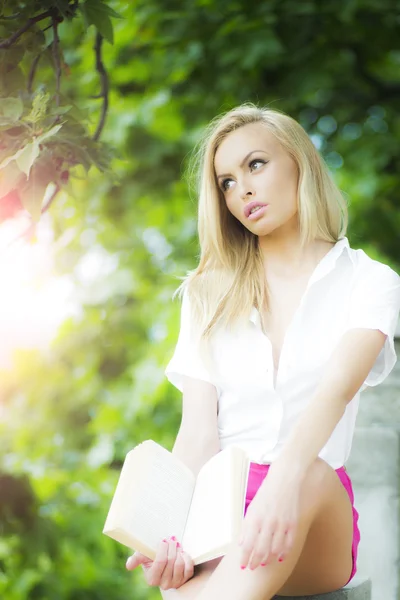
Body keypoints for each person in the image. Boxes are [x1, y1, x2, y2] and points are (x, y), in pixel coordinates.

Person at [125, 103, 400, 599]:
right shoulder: (205, 291)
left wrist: (278, 486)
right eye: (226, 182)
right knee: (183, 585)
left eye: (255, 165)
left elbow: (333, 395)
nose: (242, 189)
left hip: (313, 505)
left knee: (310, 472)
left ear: (300, 162)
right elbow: (197, 433)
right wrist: (168, 531)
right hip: (221, 508)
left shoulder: (371, 282)